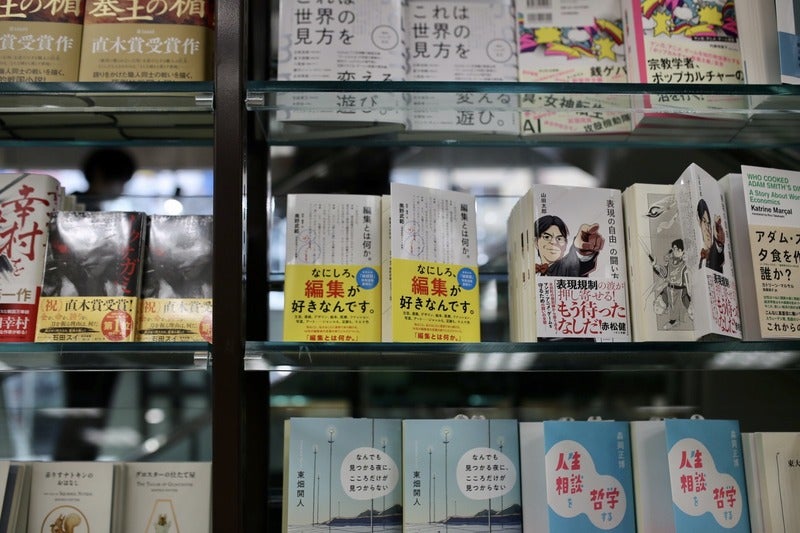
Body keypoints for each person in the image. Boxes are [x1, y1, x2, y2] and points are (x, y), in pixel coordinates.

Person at [53, 148, 136, 460]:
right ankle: (75, 468)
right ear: (102, 175)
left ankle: (78, 468)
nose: (122, 189)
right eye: (120, 180)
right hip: (83, 326)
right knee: (85, 408)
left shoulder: (87, 208)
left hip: (90, 326)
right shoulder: (79, 211)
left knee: (87, 410)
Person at [534, 214, 604, 277]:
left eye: (559, 238)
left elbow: (575, 264)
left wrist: (582, 251)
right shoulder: (531, 271)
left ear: (566, 244)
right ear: (536, 242)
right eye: (547, 237)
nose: (554, 242)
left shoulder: (566, 268)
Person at [651, 238, 692, 330]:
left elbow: (689, 275)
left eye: (677, 249)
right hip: (670, 288)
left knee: (688, 306)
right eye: (674, 249)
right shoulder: (670, 262)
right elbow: (664, 273)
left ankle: (681, 319)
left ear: (682, 251)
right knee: (666, 306)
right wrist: (655, 266)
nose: (675, 251)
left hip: (681, 289)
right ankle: (673, 321)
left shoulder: (685, 263)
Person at [696, 198, 725, 273]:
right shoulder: (700, 255)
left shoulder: (716, 249)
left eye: (709, 223)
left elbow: (719, 247)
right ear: (699, 222)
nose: (708, 228)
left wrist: (717, 227)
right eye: (705, 221)